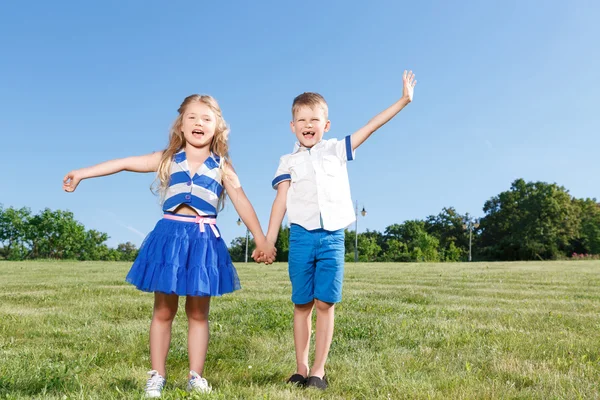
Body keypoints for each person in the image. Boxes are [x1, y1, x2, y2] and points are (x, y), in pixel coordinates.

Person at [63, 94, 276, 398]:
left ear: (217, 127)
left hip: (203, 241)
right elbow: (124, 163)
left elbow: (241, 201)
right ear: (180, 125)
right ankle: (157, 375)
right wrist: (83, 173)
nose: (198, 123)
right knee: (163, 311)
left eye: (206, 118)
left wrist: (262, 239)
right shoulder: (167, 158)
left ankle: (196, 376)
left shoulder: (222, 166)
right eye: (192, 117)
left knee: (198, 313)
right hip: (169, 239)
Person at [260, 71, 416, 390]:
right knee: (302, 304)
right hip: (301, 238)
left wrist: (403, 100)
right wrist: (268, 240)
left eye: (315, 119)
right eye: (301, 119)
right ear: (293, 126)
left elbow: (371, 127)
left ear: (326, 125)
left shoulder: (335, 149)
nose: (308, 124)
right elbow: (280, 202)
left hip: (332, 238)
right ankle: (300, 368)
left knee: (325, 304)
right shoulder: (287, 161)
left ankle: (318, 370)